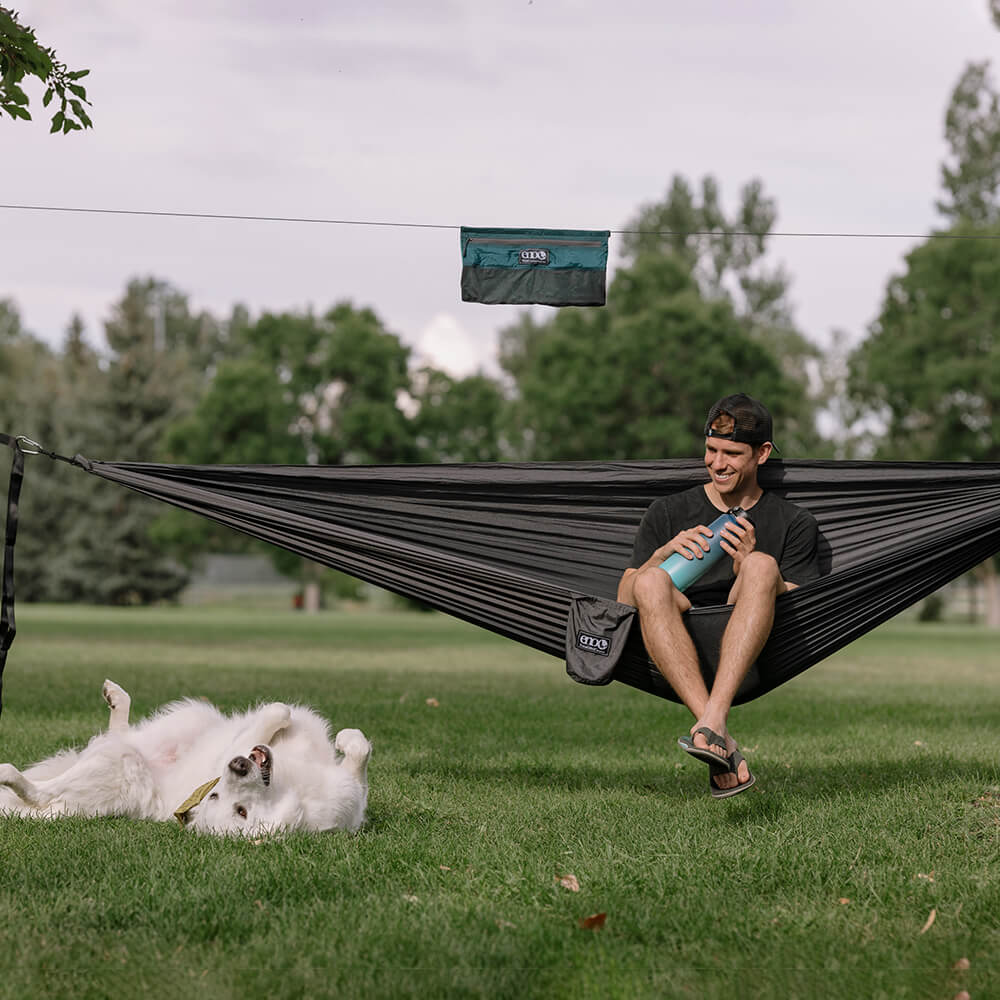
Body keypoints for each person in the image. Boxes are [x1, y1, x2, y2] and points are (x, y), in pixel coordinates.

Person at [617, 393, 820, 798]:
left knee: (763, 565)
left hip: (752, 648)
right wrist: (663, 554)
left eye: (731, 453)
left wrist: (748, 563)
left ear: (762, 453)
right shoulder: (667, 511)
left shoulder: (793, 521)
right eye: (710, 450)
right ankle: (715, 730)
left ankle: (712, 722)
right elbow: (625, 597)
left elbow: (803, 606)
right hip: (671, 640)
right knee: (651, 580)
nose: (717, 463)